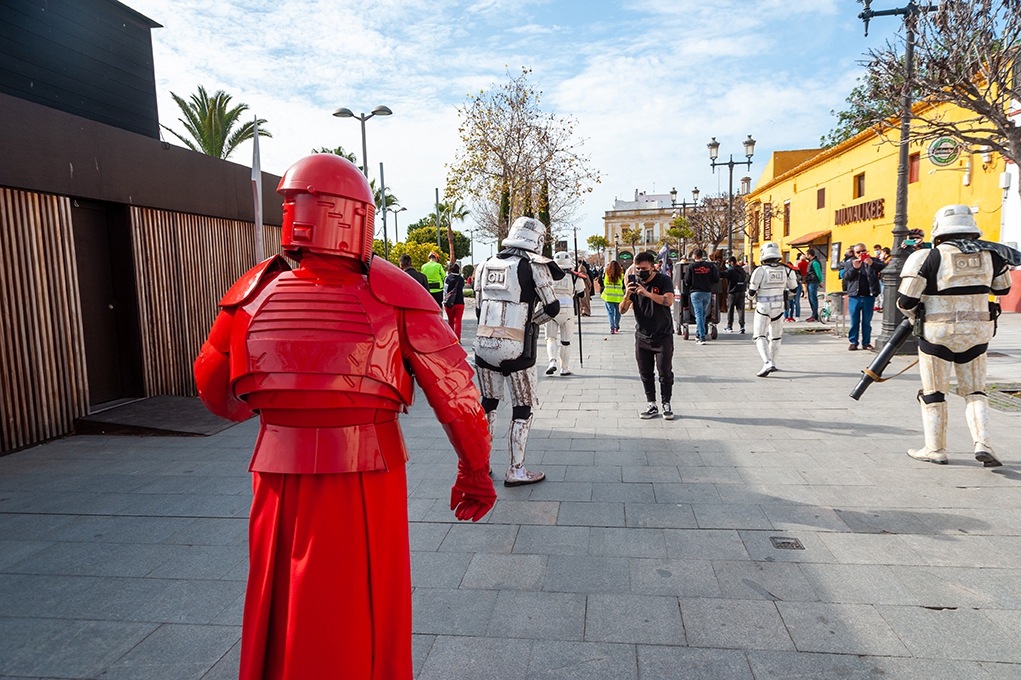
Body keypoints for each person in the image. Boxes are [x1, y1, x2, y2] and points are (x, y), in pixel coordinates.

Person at [193, 153, 495, 680]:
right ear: (357, 218)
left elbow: (215, 394)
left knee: (278, 597)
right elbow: (459, 396)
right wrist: (475, 472)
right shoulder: (396, 294)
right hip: (367, 472)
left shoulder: (252, 293)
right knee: (366, 603)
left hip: (275, 475)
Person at [897, 205, 1019, 467]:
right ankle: (983, 443)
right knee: (975, 390)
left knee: (934, 392)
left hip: (937, 333)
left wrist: (913, 315)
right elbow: (1003, 289)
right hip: (977, 332)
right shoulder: (993, 256)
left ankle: (935, 448)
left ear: (938, 229)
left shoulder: (926, 257)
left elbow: (906, 300)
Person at [474, 216, 563, 486]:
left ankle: (480, 465)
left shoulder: (484, 264)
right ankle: (516, 469)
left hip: (483, 345)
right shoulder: (535, 265)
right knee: (522, 407)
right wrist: (531, 323)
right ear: (538, 240)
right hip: (517, 346)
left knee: (488, 403)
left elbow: (478, 308)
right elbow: (552, 307)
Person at [619, 250, 676, 419]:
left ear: (652, 267)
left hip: (663, 334)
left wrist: (648, 293)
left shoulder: (663, 280)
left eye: (643, 269)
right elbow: (622, 310)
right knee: (645, 372)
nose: (640, 272)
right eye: (637, 269)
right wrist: (627, 294)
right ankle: (651, 404)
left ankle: (666, 403)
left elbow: (669, 300)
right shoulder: (633, 284)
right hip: (642, 336)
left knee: (665, 371)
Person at [747, 242, 798, 377]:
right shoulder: (787, 270)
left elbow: (751, 292)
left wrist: (750, 296)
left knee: (759, 336)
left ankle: (767, 362)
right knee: (776, 337)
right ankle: (773, 361)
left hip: (763, 307)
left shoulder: (760, 270)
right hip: (779, 307)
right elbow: (794, 289)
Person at [544, 251, 587, 376]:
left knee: (551, 338)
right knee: (566, 341)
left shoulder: (548, 275)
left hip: (552, 308)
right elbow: (582, 294)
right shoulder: (574, 276)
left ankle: (552, 361)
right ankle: (564, 368)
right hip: (568, 310)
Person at [842, 242, 886, 350]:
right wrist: (854, 268)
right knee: (854, 321)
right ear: (855, 253)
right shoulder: (850, 263)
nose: (861, 254)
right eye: (858, 252)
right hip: (855, 296)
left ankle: (866, 343)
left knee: (866, 322)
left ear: (866, 251)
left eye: (863, 251)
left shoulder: (874, 261)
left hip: (868, 296)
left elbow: (885, 268)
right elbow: (845, 277)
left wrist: (872, 264)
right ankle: (853, 342)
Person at [683, 249, 719, 345]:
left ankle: (701, 337)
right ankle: (698, 333)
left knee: (698, 314)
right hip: (707, 292)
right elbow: (716, 279)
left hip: (695, 292)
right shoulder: (710, 266)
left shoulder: (691, 267)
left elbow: (687, 280)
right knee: (703, 314)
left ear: (694, 256)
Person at [721, 256, 747, 333]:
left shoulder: (731, 270)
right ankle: (742, 326)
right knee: (741, 309)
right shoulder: (742, 270)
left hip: (732, 292)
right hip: (741, 291)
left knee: (730, 309)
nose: (728, 264)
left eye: (728, 263)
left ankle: (729, 326)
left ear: (731, 262)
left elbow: (722, 274)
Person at [443, 262, 466, 341]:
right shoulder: (461, 279)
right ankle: (457, 339)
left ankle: (451, 338)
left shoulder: (447, 278)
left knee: (450, 320)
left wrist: (444, 300)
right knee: (458, 321)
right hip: (459, 302)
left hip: (449, 303)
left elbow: (445, 290)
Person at [602, 260, 625, 334]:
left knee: (610, 313)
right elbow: (623, 286)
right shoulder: (621, 276)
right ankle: (616, 325)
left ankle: (612, 327)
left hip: (608, 296)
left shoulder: (607, 275)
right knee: (618, 312)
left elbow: (604, 284)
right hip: (618, 297)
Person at [804, 250, 824, 322]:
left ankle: (814, 315)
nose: (805, 256)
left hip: (813, 282)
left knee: (813, 299)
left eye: (806, 254)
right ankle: (814, 315)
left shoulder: (815, 262)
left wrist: (820, 281)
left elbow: (818, 273)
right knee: (810, 299)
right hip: (810, 281)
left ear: (809, 255)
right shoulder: (811, 262)